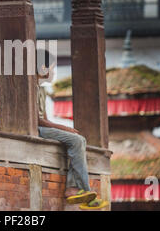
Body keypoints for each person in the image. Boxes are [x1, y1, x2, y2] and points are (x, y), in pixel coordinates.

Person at [36, 49, 109, 210]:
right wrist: (64, 127)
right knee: (76, 139)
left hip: (43, 126)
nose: (53, 72)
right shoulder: (30, 86)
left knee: (79, 140)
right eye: (52, 68)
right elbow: (38, 120)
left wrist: (65, 130)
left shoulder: (42, 88)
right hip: (36, 129)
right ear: (42, 68)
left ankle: (72, 188)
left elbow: (46, 118)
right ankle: (86, 191)